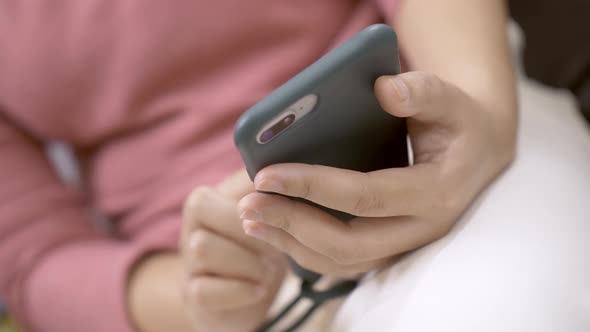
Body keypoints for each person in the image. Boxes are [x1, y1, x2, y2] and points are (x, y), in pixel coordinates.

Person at [1, 1, 589, 332]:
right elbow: (32, 261)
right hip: (233, 288)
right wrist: (197, 295)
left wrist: (475, 113)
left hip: (439, 131)